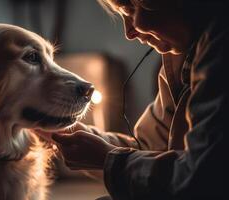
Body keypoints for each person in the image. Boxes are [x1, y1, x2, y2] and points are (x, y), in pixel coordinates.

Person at [38, 0, 228, 199]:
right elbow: (149, 148)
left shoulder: (221, 47)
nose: (129, 33)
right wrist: (79, 135)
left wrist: (106, 158)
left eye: (130, 10)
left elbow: (204, 179)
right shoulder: (179, 59)